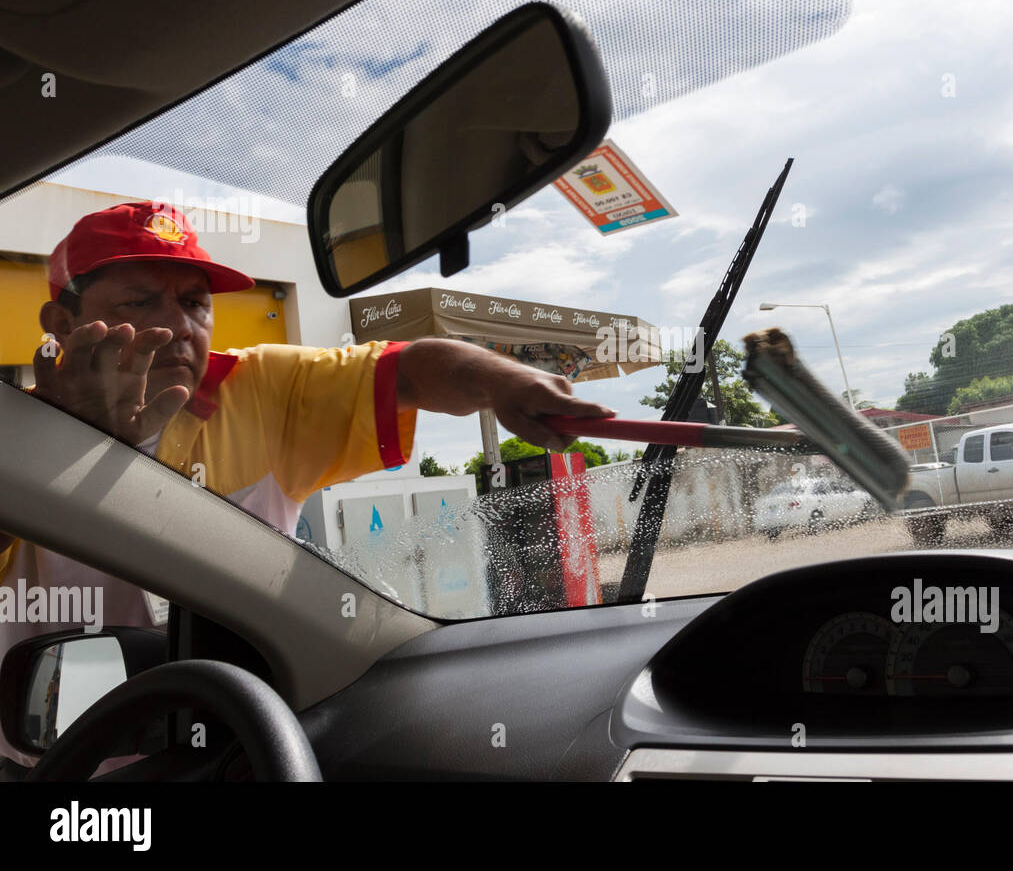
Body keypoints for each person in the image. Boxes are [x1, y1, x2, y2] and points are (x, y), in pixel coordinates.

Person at [0, 201, 615, 769]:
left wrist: (501, 381)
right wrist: (69, 441)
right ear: (62, 320)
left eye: (194, 302)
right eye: (139, 303)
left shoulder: (262, 387)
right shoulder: (15, 438)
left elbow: (411, 369)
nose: (180, 326)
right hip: (62, 764)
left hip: (244, 745)